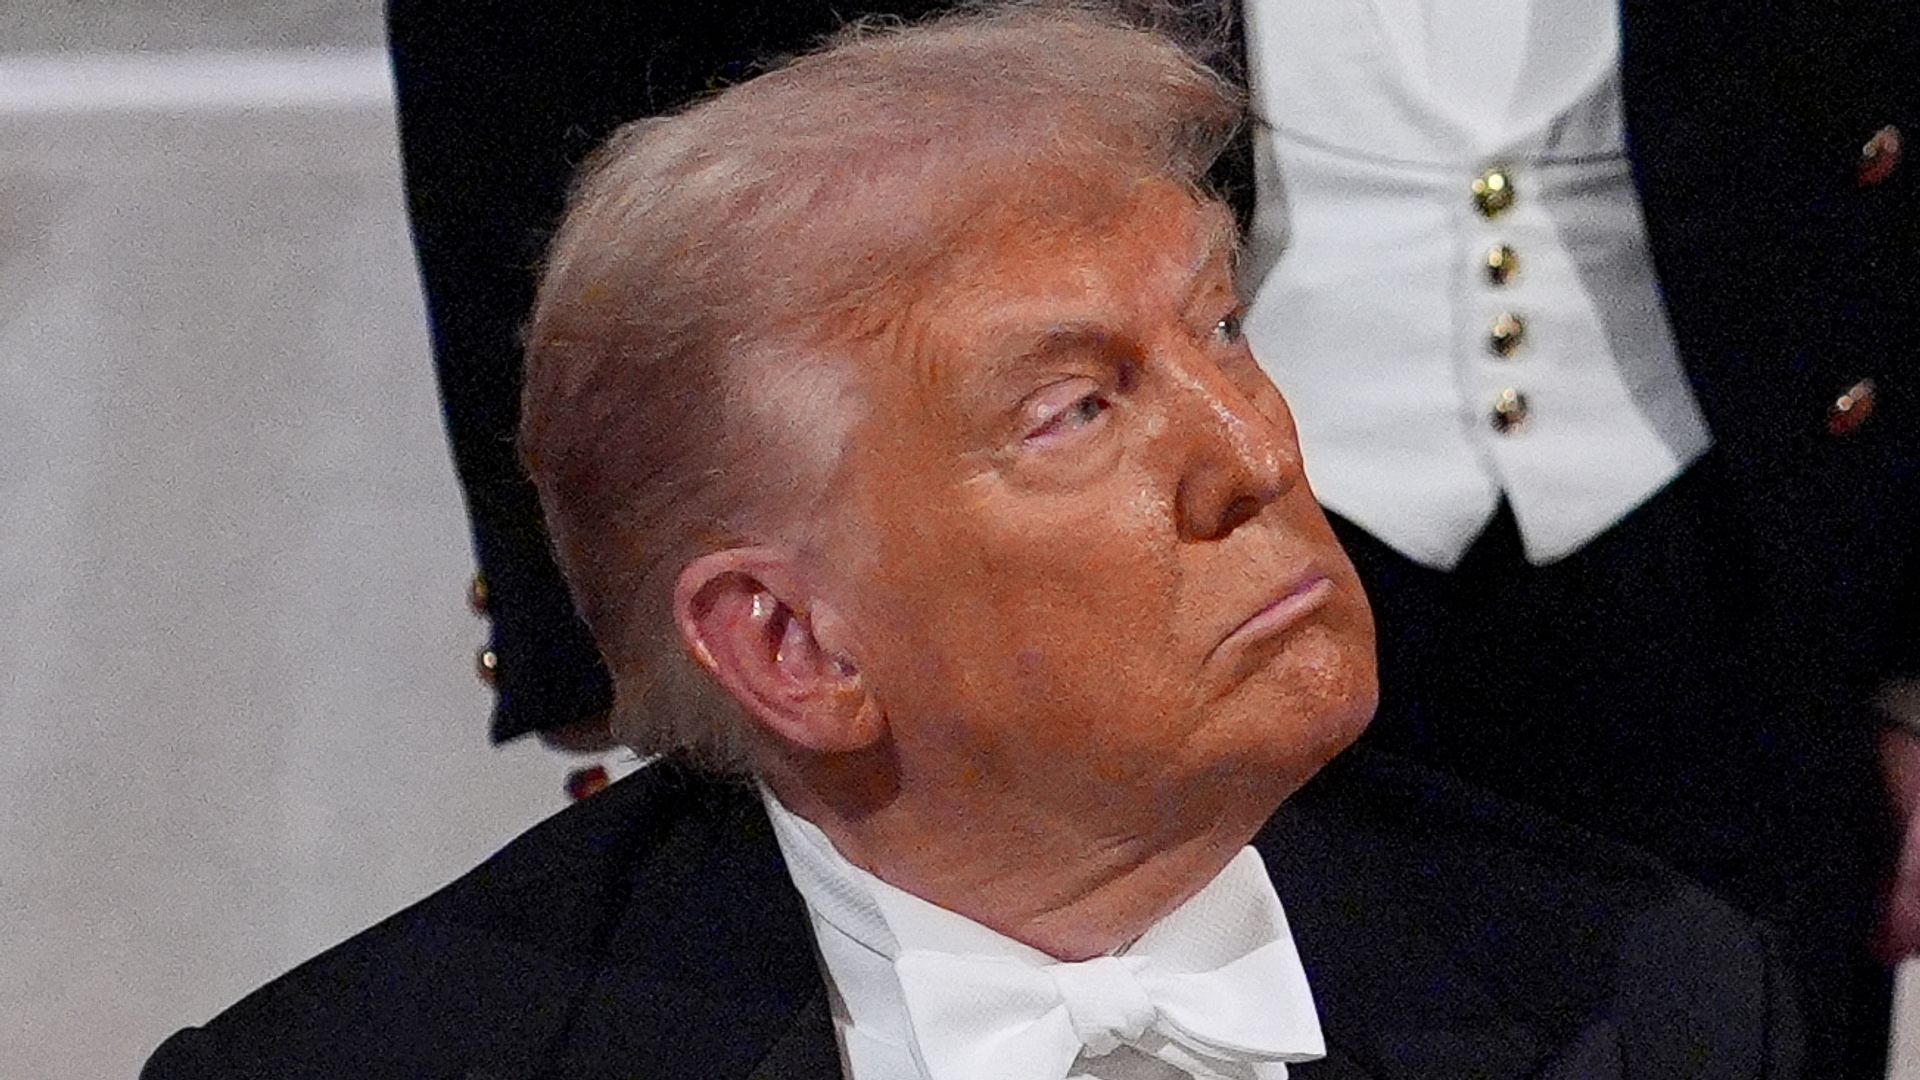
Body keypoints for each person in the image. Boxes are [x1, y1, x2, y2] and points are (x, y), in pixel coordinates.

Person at [147, 12, 1800, 1079]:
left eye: (1223, 332)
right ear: (793, 646)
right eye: (1075, 410)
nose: (1259, 454)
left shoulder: (1652, 1001)